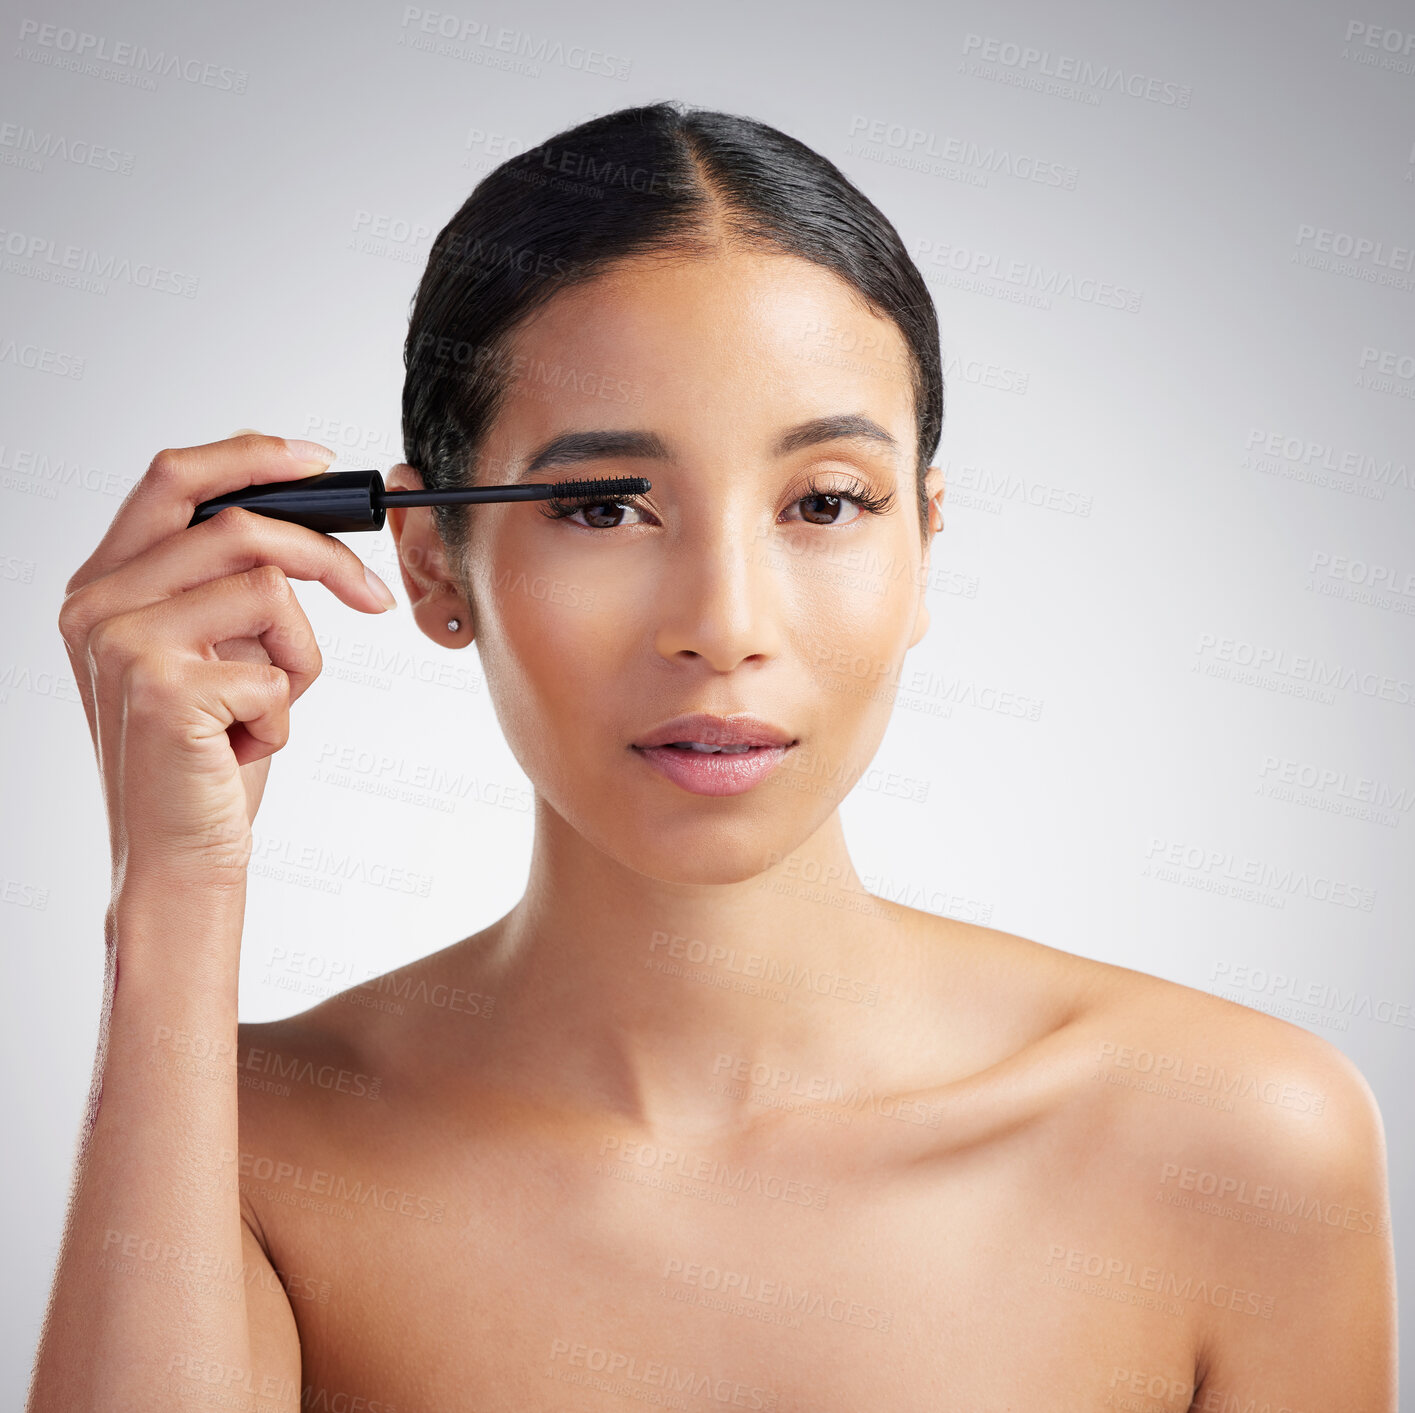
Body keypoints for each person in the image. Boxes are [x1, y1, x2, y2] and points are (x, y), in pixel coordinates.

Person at [29, 101, 1395, 1412]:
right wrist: (175, 895)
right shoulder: (245, 1149)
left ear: (923, 544)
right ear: (436, 559)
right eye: (605, 504)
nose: (724, 626)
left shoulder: (1243, 1145)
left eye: (824, 502)